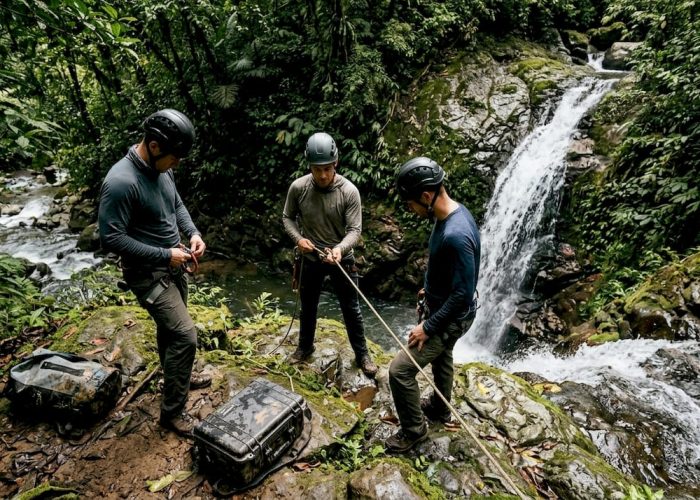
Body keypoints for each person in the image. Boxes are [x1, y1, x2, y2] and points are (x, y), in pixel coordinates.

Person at [98, 109, 211, 437]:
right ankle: (173, 414)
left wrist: (193, 234)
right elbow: (111, 239)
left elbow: (175, 205)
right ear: (155, 146)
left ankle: (177, 376)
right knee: (185, 335)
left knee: (171, 329)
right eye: (175, 158)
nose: (177, 164)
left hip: (173, 263)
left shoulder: (163, 170)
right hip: (147, 274)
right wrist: (165, 254)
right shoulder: (121, 182)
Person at [387, 156, 481, 452]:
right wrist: (428, 290)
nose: (410, 210)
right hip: (447, 308)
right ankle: (440, 408)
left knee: (399, 372)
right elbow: (449, 273)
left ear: (427, 197)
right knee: (443, 357)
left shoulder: (455, 235)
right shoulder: (454, 215)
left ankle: (414, 431)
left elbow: (462, 294)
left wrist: (428, 326)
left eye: (411, 204)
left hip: (451, 316)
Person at [282, 132, 378, 377]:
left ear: (335, 163)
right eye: (317, 169)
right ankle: (304, 347)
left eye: (327, 168)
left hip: (340, 258)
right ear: (310, 167)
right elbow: (288, 217)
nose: (323, 175)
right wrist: (299, 239)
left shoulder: (349, 192)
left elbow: (355, 230)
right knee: (308, 306)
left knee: (351, 308)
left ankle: (362, 355)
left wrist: (339, 249)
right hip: (310, 257)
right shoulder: (299, 188)